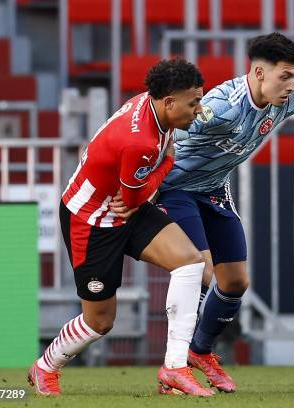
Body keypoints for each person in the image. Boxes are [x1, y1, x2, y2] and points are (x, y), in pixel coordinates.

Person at [110, 32, 294, 393]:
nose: (292, 85)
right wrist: (135, 187)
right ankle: (175, 366)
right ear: (259, 73)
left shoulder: (289, 98)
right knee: (199, 270)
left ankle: (200, 352)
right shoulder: (221, 106)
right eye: (285, 76)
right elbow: (164, 131)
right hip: (177, 187)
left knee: (235, 281)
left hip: (215, 189)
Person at [27, 59, 215, 397]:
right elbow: (133, 197)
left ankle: (174, 369)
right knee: (99, 321)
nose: (198, 110)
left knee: (191, 263)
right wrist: (168, 161)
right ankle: (45, 367)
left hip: (127, 209)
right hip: (92, 220)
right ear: (169, 101)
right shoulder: (140, 141)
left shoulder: (154, 104)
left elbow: (133, 201)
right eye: (193, 102)